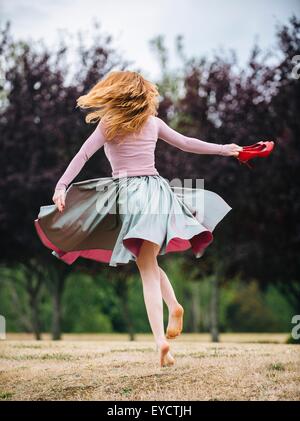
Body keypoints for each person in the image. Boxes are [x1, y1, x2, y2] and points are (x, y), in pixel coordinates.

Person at [34, 70, 242, 367]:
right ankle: (174, 306)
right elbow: (186, 143)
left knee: (145, 267)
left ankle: (160, 341)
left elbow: (82, 156)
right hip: (158, 192)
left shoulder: (109, 125)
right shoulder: (153, 123)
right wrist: (225, 149)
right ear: (144, 96)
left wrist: (61, 186)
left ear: (116, 94)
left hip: (128, 197)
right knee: (148, 259)